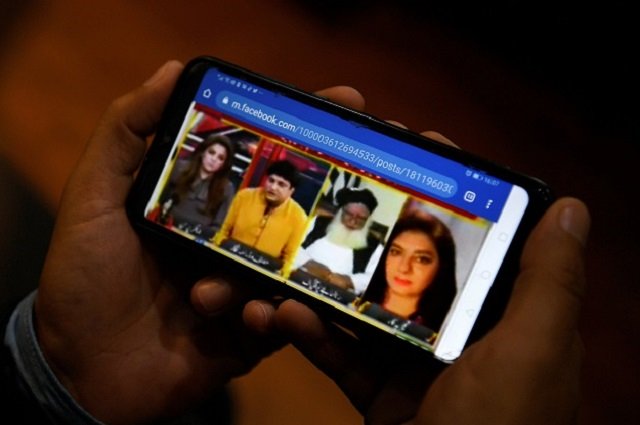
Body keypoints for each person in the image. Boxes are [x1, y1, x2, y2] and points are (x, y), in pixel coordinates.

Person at [0, 60, 590, 425]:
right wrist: (64, 375)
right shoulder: (245, 204)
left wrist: (59, 381)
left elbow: (284, 259)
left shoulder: (340, 255)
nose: (406, 267)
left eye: (424, 258)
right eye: (402, 252)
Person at [360, 214, 457, 333]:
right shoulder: (356, 299)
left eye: (421, 259)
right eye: (396, 252)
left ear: (441, 267)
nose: (404, 268)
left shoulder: (440, 332)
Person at [214, 159, 307, 272]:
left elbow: (289, 258)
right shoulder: (244, 197)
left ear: (291, 191)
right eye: (271, 180)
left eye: (281, 184)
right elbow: (224, 230)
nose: (273, 187)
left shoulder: (299, 217)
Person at [292, 187, 384, 294]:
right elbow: (291, 243)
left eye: (361, 218)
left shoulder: (375, 246)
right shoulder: (318, 222)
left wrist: (350, 281)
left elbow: (376, 278)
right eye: (349, 214)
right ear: (340, 211)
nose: (353, 221)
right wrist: (307, 262)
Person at [155, 134, 235, 238]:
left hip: (198, 239)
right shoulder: (179, 169)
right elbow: (159, 201)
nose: (214, 159)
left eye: (220, 158)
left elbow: (218, 226)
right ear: (203, 152)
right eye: (211, 152)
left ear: (224, 164)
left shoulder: (227, 188)